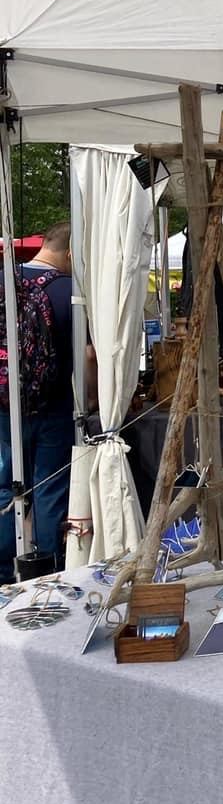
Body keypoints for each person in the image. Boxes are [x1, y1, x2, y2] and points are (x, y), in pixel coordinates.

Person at [0, 222, 75, 582]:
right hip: (53, 407)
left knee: (5, 483)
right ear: (72, 250)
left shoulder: (4, 279)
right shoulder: (69, 291)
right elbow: (89, 357)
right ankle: (47, 573)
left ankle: (3, 568)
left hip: (3, 405)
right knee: (49, 488)